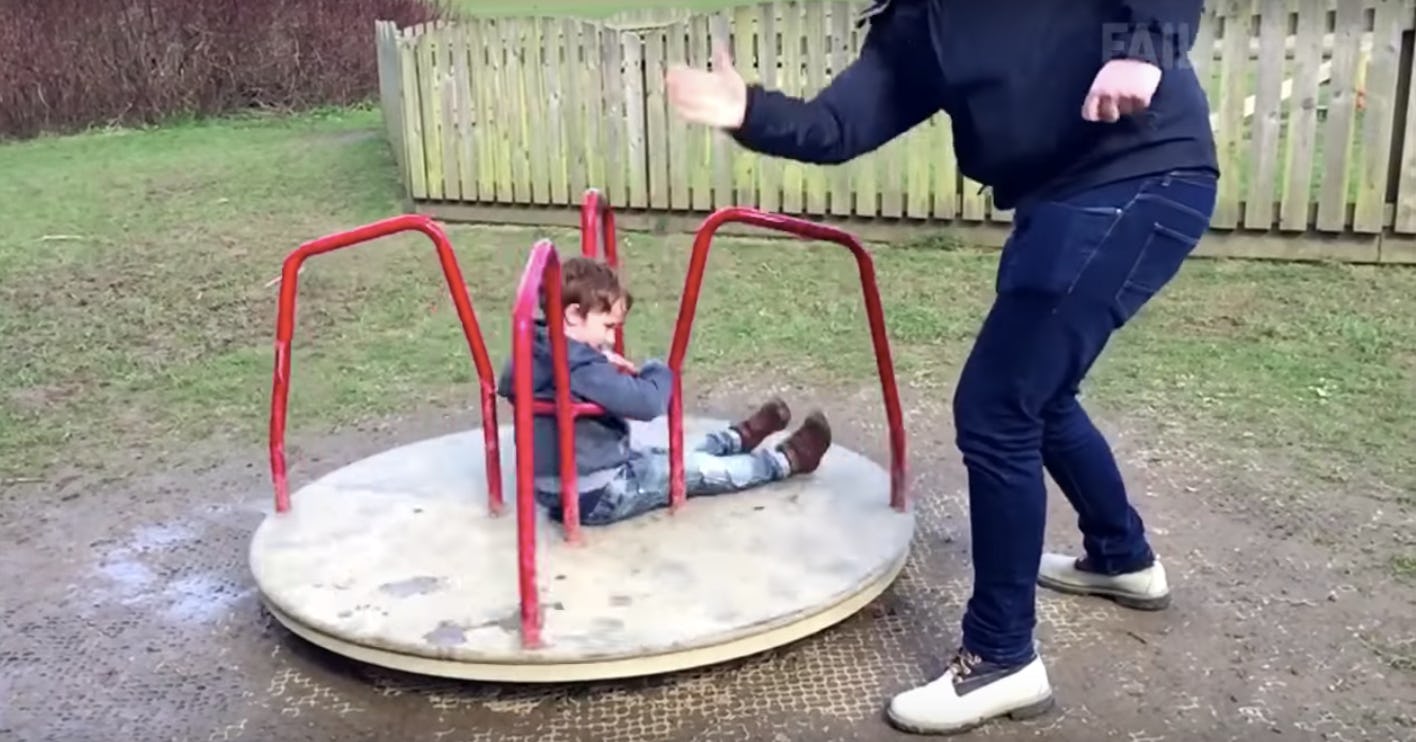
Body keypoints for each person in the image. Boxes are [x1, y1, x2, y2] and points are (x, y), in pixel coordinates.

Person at [666, 0, 1218, 734]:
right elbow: (837, 128)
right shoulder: (914, 25)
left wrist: (1143, 51)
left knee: (997, 409)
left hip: (1141, 172)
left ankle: (1001, 658)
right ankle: (1121, 555)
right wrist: (748, 110)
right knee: (1037, 397)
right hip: (1058, 202)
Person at [496, 255, 834, 526]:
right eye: (608, 327)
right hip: (600, 492)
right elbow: (648, 403)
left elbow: (508, 382)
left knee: (666, 453)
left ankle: (737, 437)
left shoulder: (533, 348)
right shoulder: (580, 366)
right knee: (696, 471)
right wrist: (657, 370)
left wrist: (598, 357)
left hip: (558, 486)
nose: (612, 339)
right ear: (572, 315)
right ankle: (787, 460)